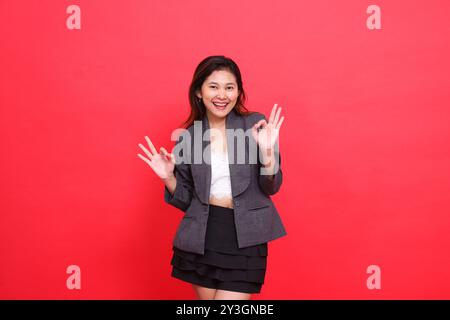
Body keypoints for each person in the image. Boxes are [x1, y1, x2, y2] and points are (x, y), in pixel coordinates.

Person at [137, 55, 287, 300]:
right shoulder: (189, 137)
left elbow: (272, 186)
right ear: (199, 92)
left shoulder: (254, 125)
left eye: (229, 87)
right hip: (202, 237)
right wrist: (168, 177)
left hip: (246, 237)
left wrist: (268, 153)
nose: (222, 95)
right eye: (213, 87)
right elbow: (187, 201)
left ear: (238, 92)